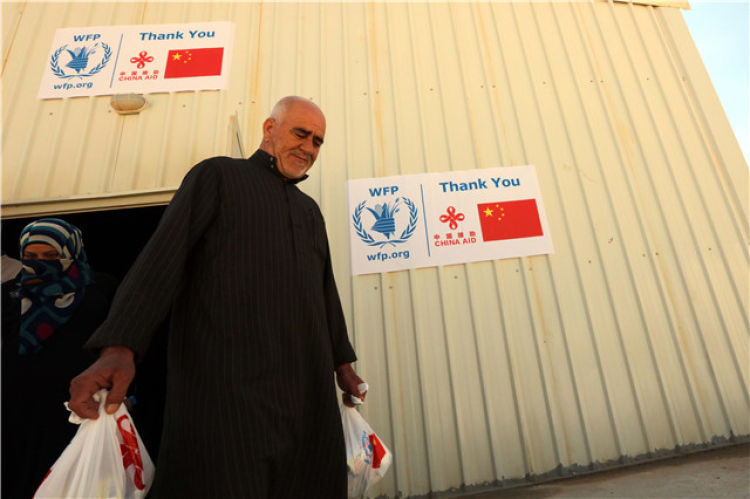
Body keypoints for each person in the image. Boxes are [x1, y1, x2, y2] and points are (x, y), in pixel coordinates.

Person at [68, 96, 367, 498]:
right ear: (269, 128)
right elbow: (162, 259)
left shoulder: (309, 211)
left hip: (305, 388)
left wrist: (342, 365)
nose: (309, 147)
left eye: (317, 141)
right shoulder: (218, 177)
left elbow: (325, 291)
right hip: (228, 388)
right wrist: (119, 346)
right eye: (301, 133)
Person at [1, 218, 118, 498]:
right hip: (17, 401)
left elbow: (117, 341)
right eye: (31, 256)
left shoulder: (100, 287)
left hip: (76, 401)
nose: (40, 263)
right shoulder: (10, 292)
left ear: (72, 250)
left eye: (51, 255)